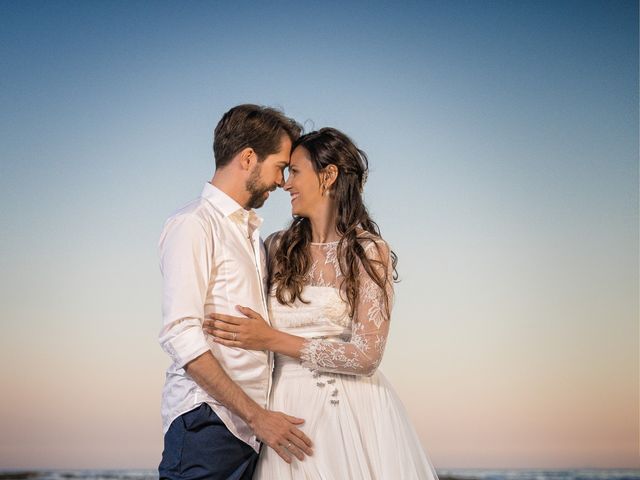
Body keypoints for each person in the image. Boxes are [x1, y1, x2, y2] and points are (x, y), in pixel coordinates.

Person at [204, 127, 440, 479]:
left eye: (296, 171)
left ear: (328, 176)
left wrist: (270, 338)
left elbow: (366, 356)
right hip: (285, 409)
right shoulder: (276, 246)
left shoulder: (369, 252)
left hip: (352, 411)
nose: (286, 183)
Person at [158, 104, 313, 480]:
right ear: (248, 158)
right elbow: (181, 335)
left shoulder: (251, 237)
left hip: (248, 433)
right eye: (279, 166)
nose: (281, 181)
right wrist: (256, 416)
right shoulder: (193, 224)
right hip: (208, 423)